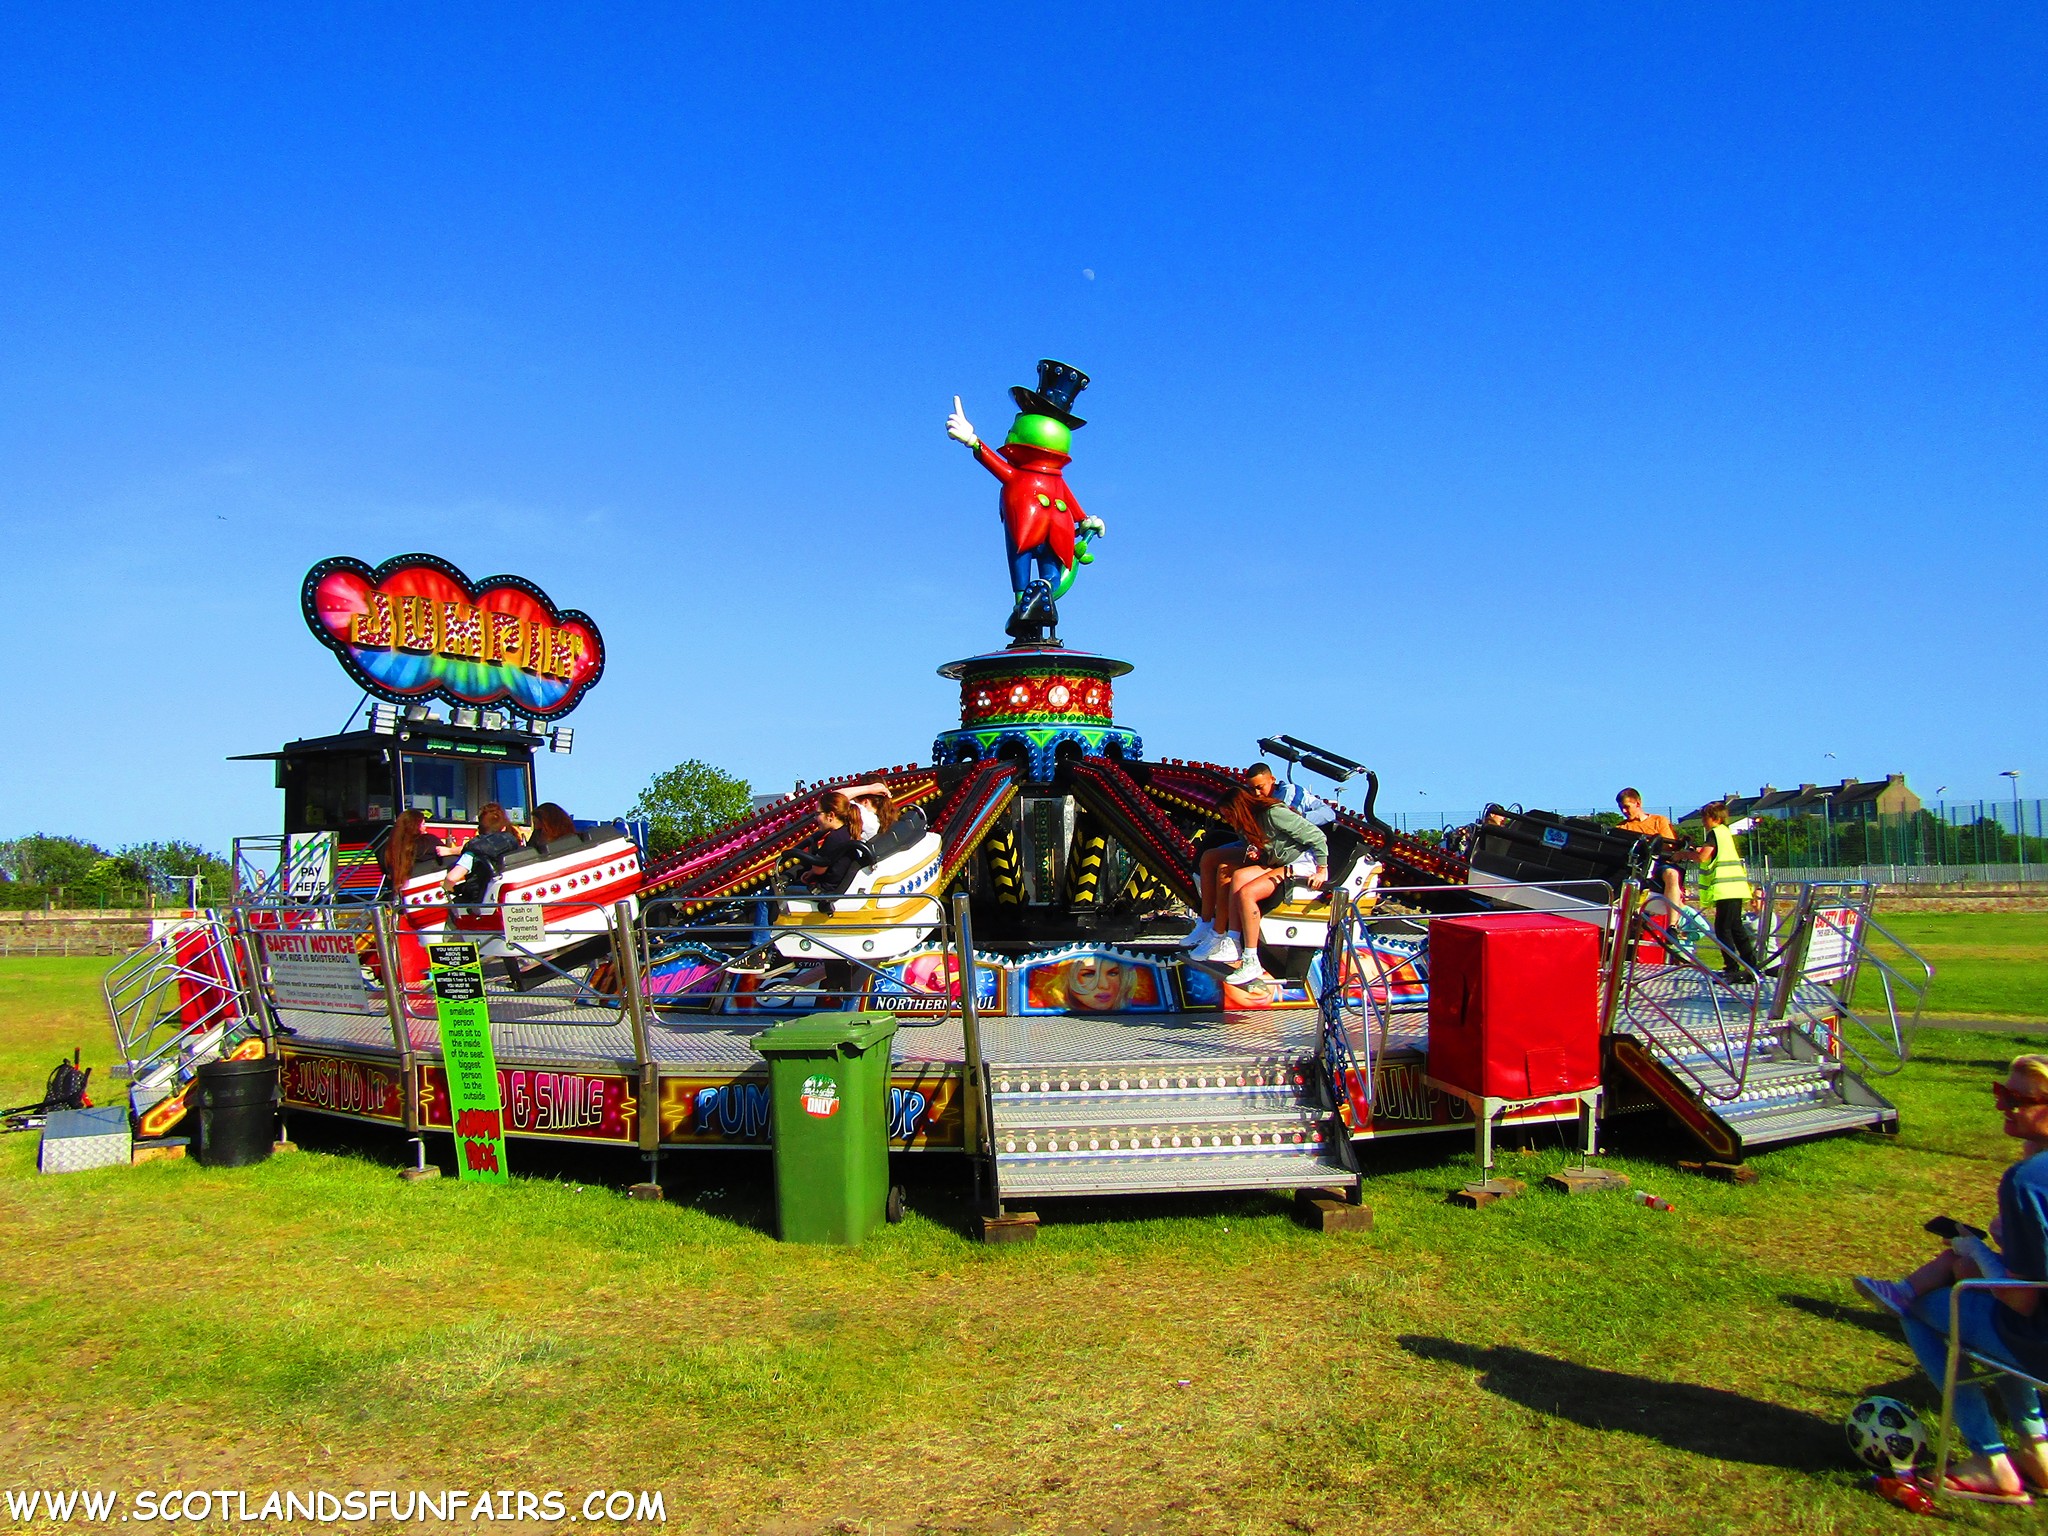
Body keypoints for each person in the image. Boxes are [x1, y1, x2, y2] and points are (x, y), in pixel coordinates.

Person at [1852, 1054, 2048, 1503]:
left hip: (2041, 1344)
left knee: (1917, 1309)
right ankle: (2038, 1449)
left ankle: (1991, 1460)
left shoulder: (2026, 1181)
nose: (2005, 1107)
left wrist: (1976, 1257)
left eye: (2019, 1099)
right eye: (2002, 1095)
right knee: (1984, 1309)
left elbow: (2023, 1302)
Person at [1188, 763, 1341, 959]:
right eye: (1251, 789)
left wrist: (1322, 867)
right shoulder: (1250, 814)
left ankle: (1248, 955)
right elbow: (1258, 841)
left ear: (1272, 780)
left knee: (1244, 889)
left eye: (1260, 787)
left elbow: (1316, 832)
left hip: (1296, 859)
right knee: (1216, 861)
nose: (1256, 793)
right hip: (1273, 855)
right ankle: (1212, 927)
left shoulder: (1278, 808)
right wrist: (1255, 850)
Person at [1208, 785, 1328, 988]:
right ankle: (1233, 941)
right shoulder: (1249, 825)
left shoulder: (1274, 814)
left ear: (1239, 809)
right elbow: (1273, 849)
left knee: (1247, 893)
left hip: (1303, 862)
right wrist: (1258, 852)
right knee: (1237, 877)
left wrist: (1322, 869)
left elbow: (1316, 837)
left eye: (1229, 815)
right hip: (1282, 863)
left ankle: (1251, 958)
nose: (1227, 820)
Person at [1616, 788, 1710, 938]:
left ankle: (1672, 926)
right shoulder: (1622, 828)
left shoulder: (1659, 821)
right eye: (1621, 808)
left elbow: (1670, 846)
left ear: (1638, 803)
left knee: (1672, 874)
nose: (1624, 811)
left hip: (1659, 864)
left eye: (1627, 807)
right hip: (1637, 868)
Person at [1698, 800, 1764, 983]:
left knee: (1723, 929)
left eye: (1705, 817)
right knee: (1736, 928)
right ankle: (1752, 967)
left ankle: (1732, 968)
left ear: (1713, 818)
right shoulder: (1725, 833)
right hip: (1736, 887)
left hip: (1725, 889)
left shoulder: (1714, 833)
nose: (1703, 821)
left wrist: (1683, 855)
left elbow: (1703, 856)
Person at [442, 803, 524, 904]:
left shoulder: (474, 849)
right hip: (510, 900)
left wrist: (447, 888)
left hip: (480, 904)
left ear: (479, 829)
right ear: (503, 828)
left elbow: (452, 878)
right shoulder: (514, 843)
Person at [788, 792, 866, 895]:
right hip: (834, 888)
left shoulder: (834, 838)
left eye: (818, 814)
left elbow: (818, 869)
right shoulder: (846, 832)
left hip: (825, 891)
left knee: (770, 894)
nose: (816, 818)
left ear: (830, 815)